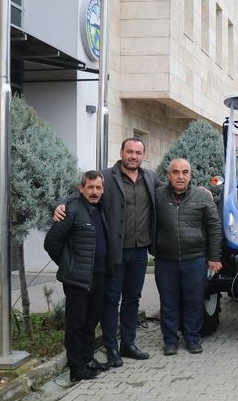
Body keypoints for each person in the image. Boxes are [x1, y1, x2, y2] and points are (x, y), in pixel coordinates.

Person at [55, 138, 160, 367]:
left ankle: (129, 344)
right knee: (111, 300)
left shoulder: (150, 177)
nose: (133, 156)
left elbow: (170, 190)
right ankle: (112, 348)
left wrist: (201, 189)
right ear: (121, 152)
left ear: (143, 155)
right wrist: (61, 204)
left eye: (138, 152)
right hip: (115, 251)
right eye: (129, 151)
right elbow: (80, 193)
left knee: (133, 298)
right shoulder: (105, 177)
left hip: (141, 250)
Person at [44, 171, 111, 382]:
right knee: (76, 323)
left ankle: (88, 359)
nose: (94, 192)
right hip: (78, 279)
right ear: (81, 188)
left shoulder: (101, 209)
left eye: (98, 188)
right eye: (90, 187)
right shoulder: (70, 210)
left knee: (91, 321)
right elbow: (51, 242)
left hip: (99, 276)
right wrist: (68, 264)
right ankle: (76, 367)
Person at [153, 158, 222, 355]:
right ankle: (170, 341)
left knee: (194, 301)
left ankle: (192, 338)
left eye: (185, 172)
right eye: (176, 172)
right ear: (169, 175)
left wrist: (214, 257)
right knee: (168, 302)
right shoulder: (157, 196)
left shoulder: (202, 197)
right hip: (166, 260)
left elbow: (214, 228)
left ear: (190, 175)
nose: (180, 176)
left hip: (196, 259)